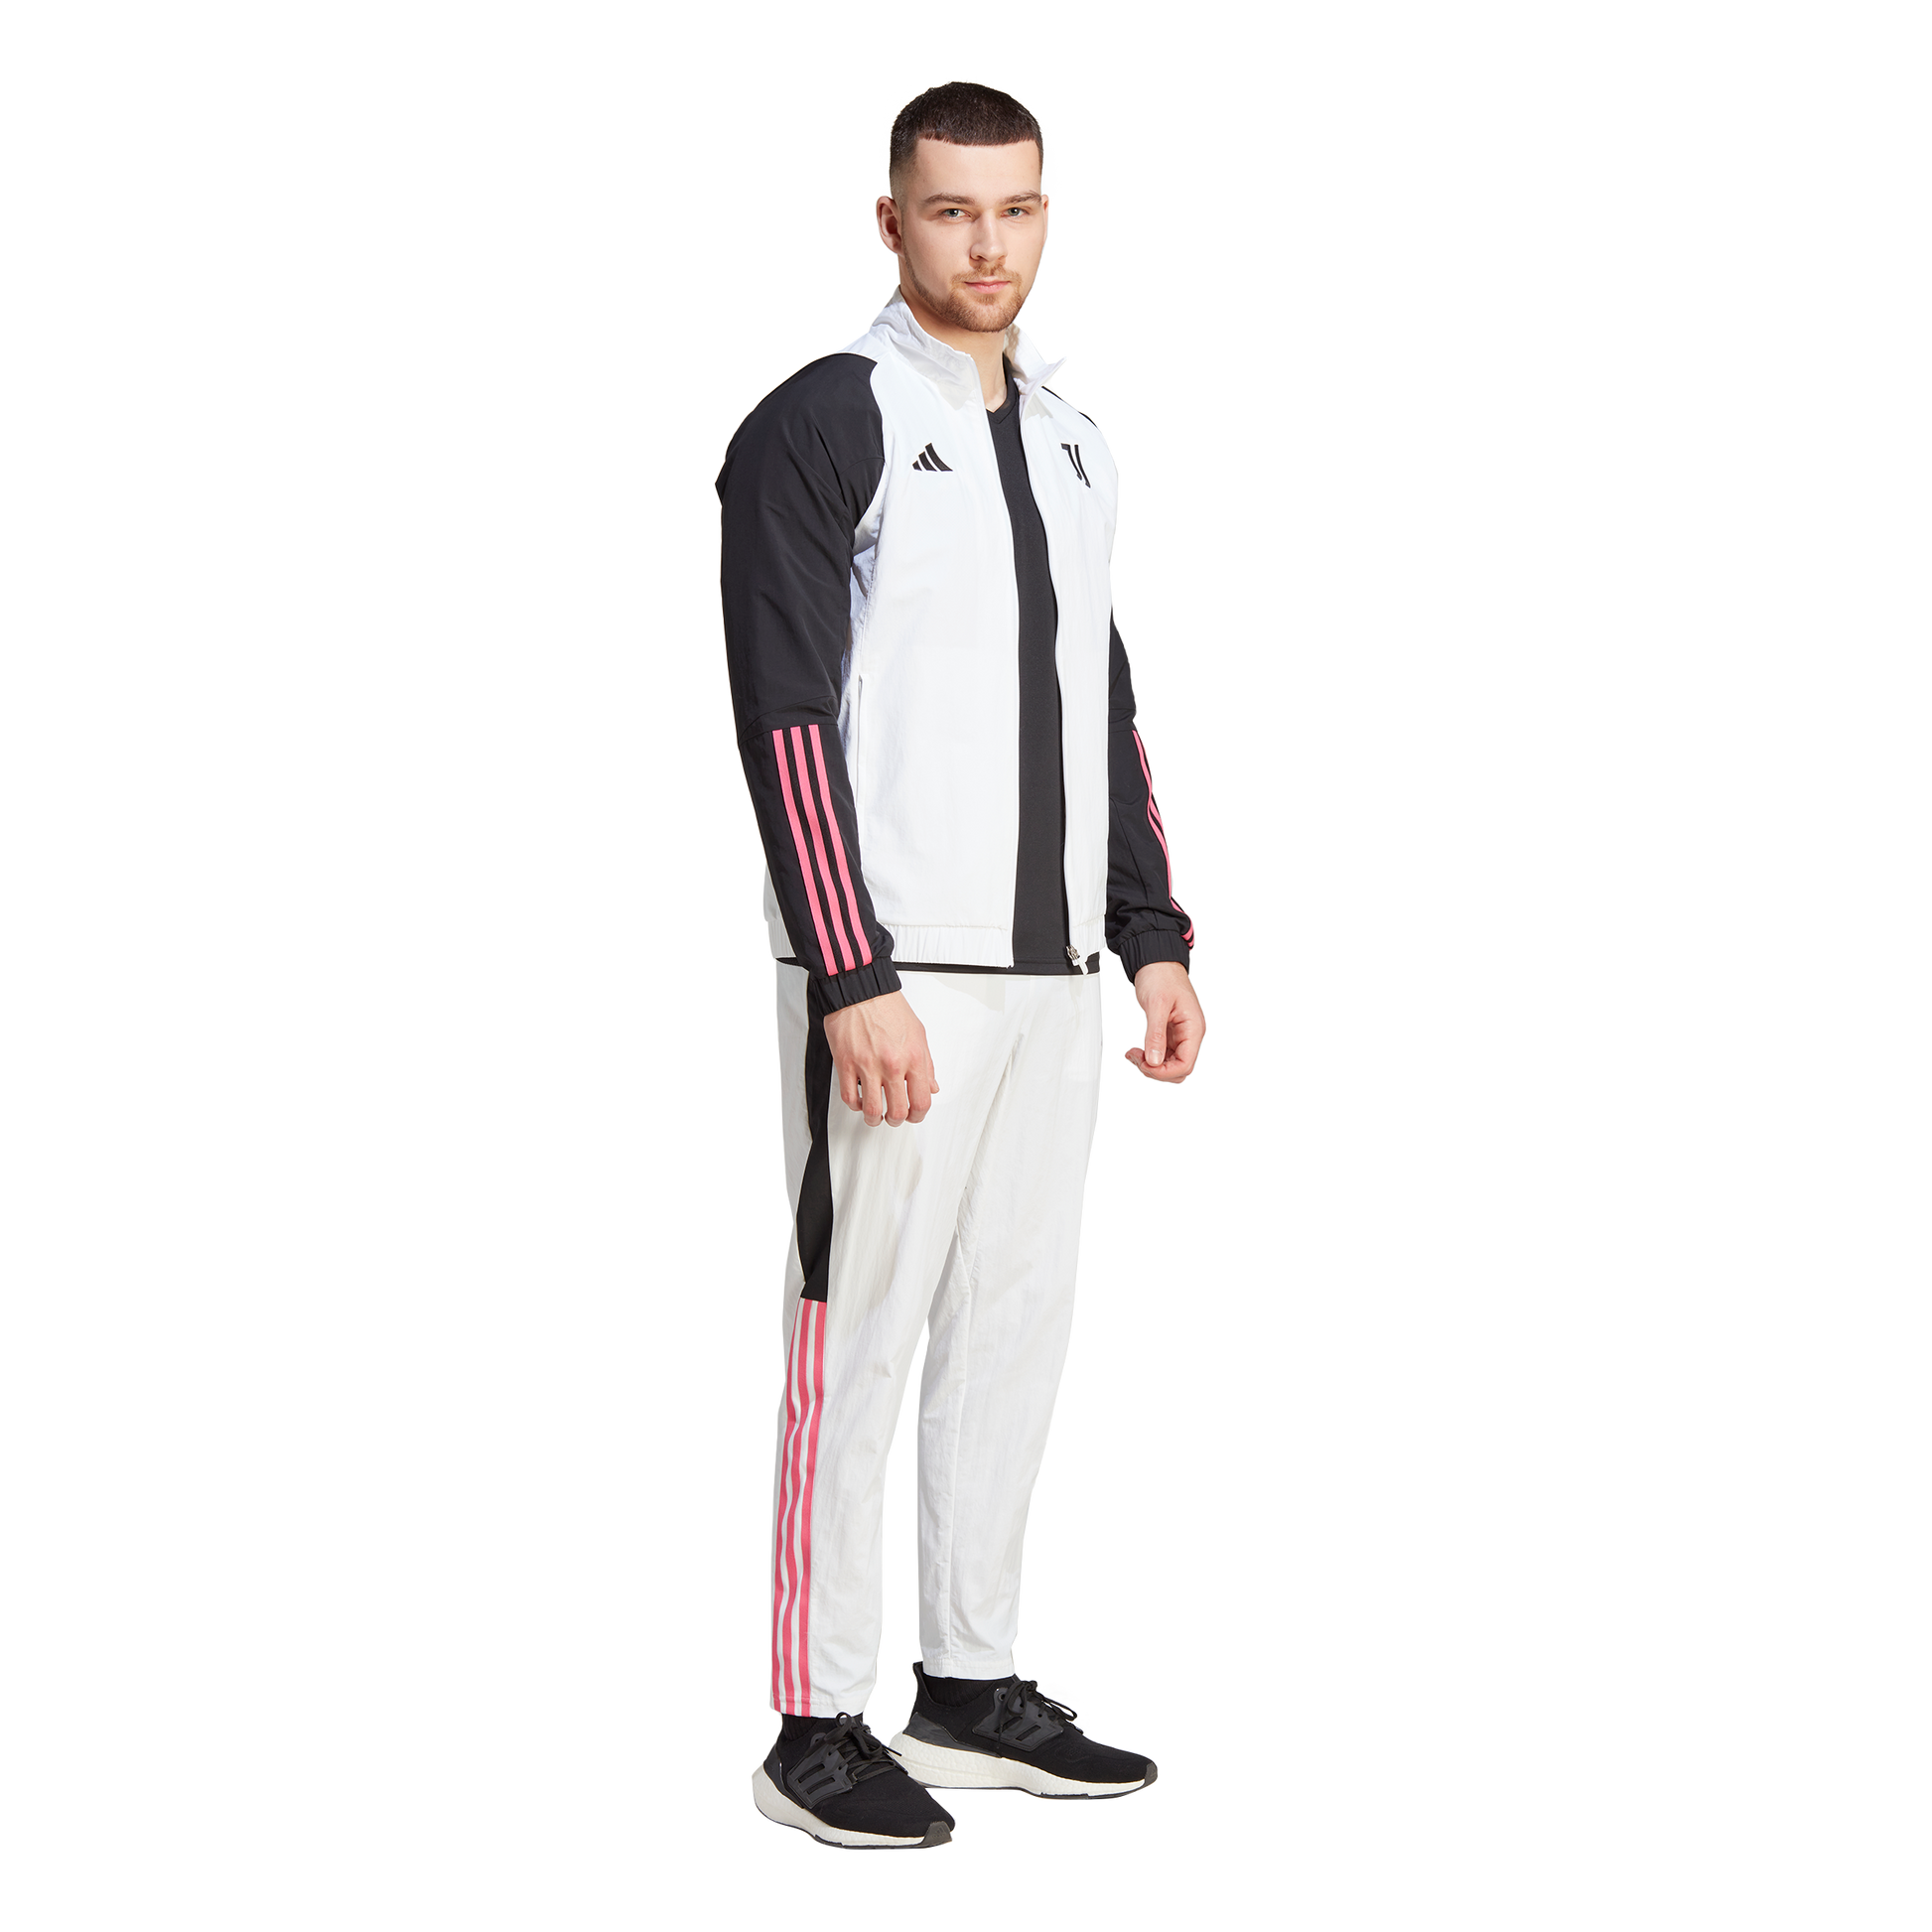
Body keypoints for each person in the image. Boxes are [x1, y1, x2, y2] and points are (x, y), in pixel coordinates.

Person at [716, 76, 1207, 1853]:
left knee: (1013, 1330)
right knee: (854, 1337)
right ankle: (811, 1718)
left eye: (1015, 209)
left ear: (1047, 215)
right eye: (950, 209)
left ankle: (971, 1683)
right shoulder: (821, 420)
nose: (985, 244)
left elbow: (1103, 698)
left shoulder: (1075, 441)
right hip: (895, 966)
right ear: (890, 220)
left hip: (1050, 972)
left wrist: (1149, 935)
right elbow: (782, 713)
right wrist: (848, 971)